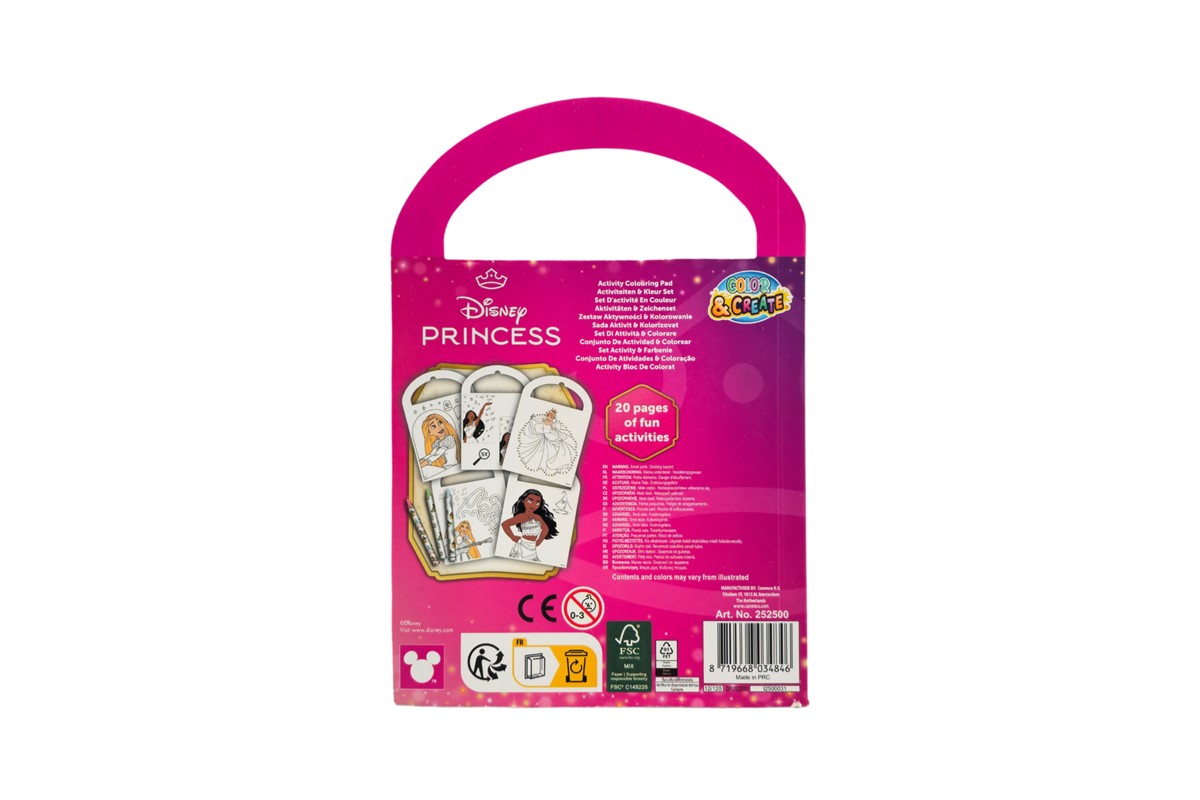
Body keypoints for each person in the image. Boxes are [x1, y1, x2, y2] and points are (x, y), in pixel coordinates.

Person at [501, 489, 557, 562]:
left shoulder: (538, 517)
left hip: (532, 547)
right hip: (522, 546)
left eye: (537, 502)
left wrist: (539, 541)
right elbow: (505, 524)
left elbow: (545, 528)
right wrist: (513, 537)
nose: (533, 505)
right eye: (530, 501)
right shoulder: (521, 516)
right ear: (523, 500)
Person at [516, 409, 575, 474]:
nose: (549, 418)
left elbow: (555, 429)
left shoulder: (552, 424)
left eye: (551, 417)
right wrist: (533, 419)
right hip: (542, 437)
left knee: (553, 449)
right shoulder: (543, 420)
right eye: (548, 416)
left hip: (549, 437)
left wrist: (554, 431)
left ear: (553, 418)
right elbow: (537, 422)